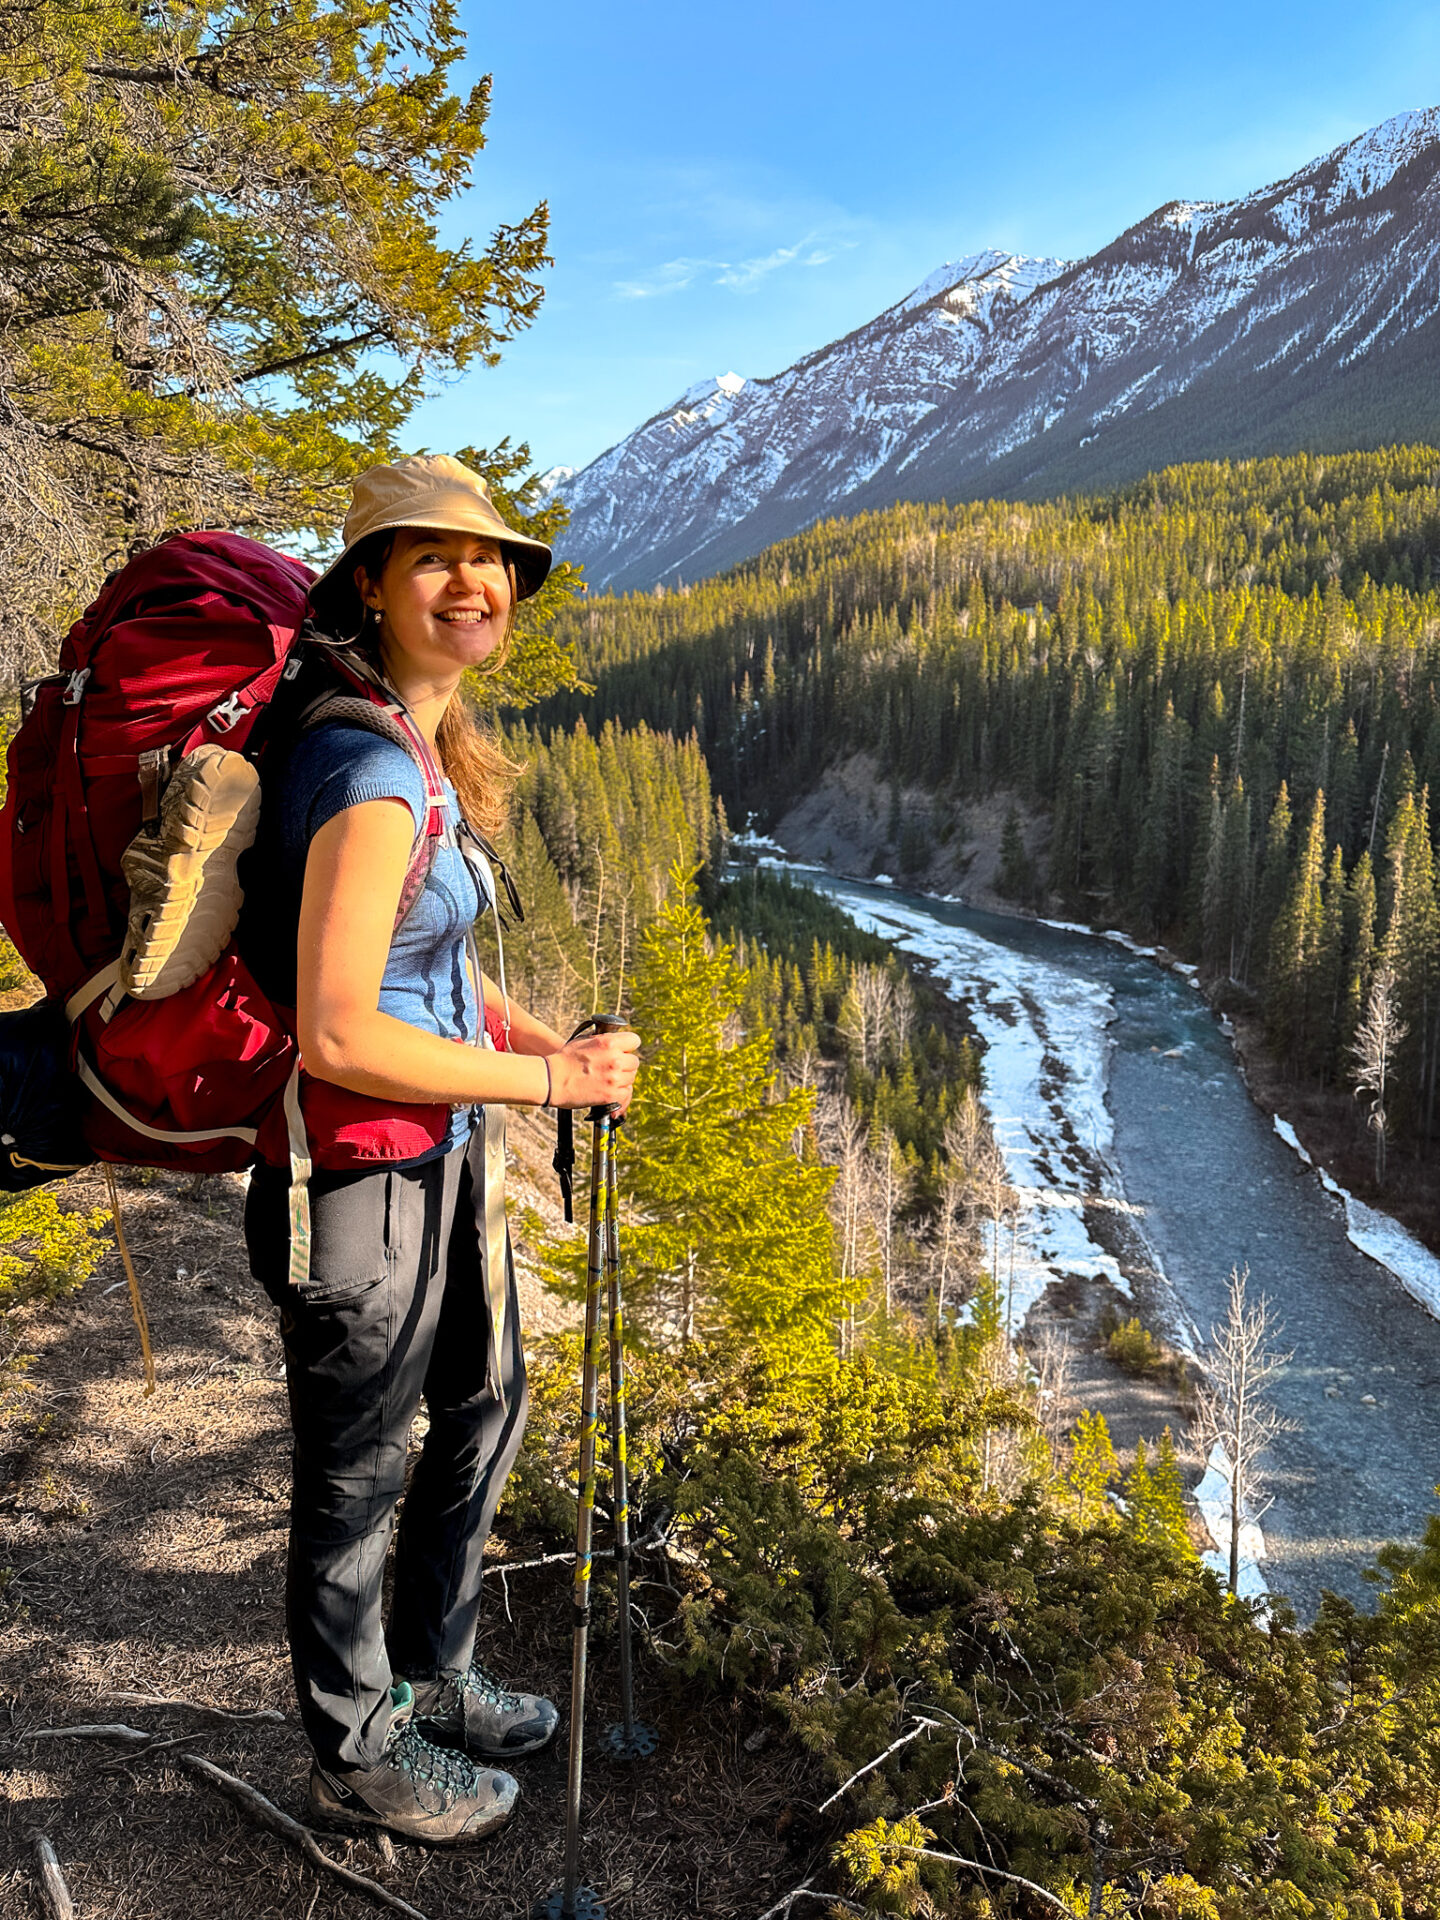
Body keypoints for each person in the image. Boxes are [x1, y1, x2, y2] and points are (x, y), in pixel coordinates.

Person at [239, 454, 640, 1845]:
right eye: (432, 562)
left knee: (481, 1408)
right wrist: (546, 1075)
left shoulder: (418, 748)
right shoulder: (363, 769)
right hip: (360, 1173)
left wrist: (548, 1062)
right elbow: (344, 1031)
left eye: (493, 565)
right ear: (371, 585)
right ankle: (356, 1752)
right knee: (356, 1469)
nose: (474, 584)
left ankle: (431, 1673)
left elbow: (437, 969)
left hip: (448, 1154)